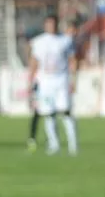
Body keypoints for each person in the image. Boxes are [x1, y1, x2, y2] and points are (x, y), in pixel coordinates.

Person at [28, 16, 78, 155]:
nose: (51, 26)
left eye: (53, 24)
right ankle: (54, 144)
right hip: (45, 83)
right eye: (49, 24)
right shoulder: (39, 42)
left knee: (66, 111)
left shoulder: (65, 40)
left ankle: (73, 145)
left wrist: (73, 79)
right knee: (48, 113)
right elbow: (34, 62)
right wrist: (30, 81)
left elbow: (72, 60)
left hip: (61, 80)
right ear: (45, 25)